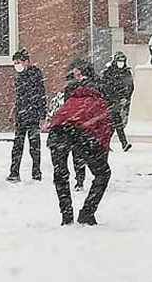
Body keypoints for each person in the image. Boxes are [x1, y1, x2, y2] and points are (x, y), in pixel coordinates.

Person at [47, 58, 112, 226]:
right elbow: (105, 131)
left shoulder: (70, 98)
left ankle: (66, 216)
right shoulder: (99, 101)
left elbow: (55, 118)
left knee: (60, 175)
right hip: (83, 132)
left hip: (58, 131)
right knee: (103, 173)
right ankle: (87, 213)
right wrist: (102, 155)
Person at [7, 49, 47, 183]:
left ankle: (36, 173)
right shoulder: (19, 76)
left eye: (18, 62)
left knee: (34, 147)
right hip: (21, 115)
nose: (16, 65)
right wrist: (14, 109)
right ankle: (14, 172)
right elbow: (19, 96)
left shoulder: (35, 74)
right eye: (15, 63)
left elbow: (41, 95)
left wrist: (42, 116)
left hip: (33, 115)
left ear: (26, 61)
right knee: (17, 145)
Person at [100, 51, 134, 152]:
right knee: (115, 123)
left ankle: (110, 144)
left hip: (120, 101)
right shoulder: (108, 72)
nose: (121, 63)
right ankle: (123, 143)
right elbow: (103, 87)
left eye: (122, 61)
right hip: (110, 102)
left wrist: (126, 98)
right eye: (119, 61)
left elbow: (130, 86)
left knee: (114, 124)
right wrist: (109, 99)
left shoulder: (126, 72)